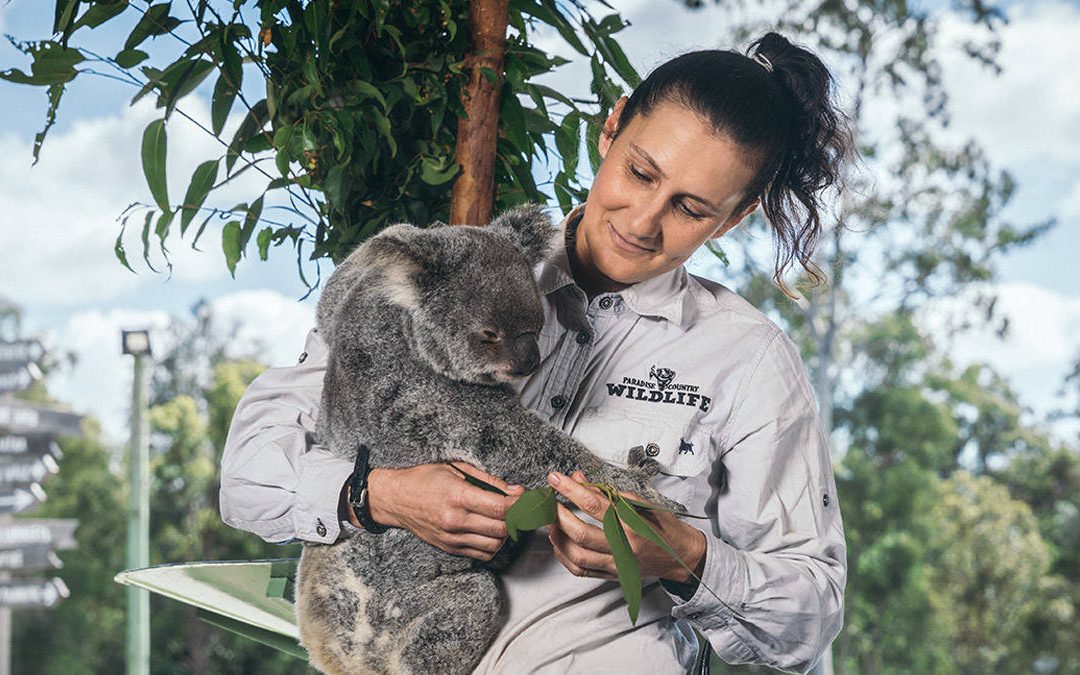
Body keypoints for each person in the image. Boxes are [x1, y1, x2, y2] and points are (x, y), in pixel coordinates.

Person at [220, 32, 851, 674]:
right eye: (640, 172)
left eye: (689, 209)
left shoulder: (747, 359)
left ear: (733, 218)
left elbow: (810, 617)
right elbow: (248, 479)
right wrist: (377, 495)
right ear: (611, 128)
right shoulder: (444, 275)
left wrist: (684, 556)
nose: (642, 221)